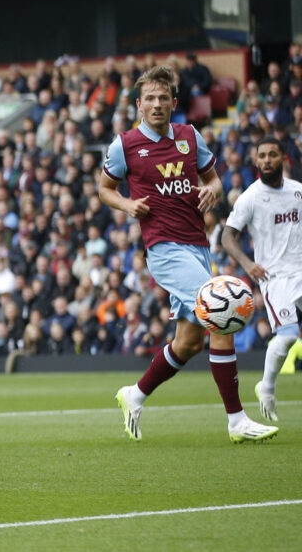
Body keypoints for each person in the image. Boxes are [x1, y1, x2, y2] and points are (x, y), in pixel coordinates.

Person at [99, 66, 277, 443]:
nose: (157, 104)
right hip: (164, 249)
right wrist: (127, 205)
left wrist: (213, 188)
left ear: (174, 103)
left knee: (189, 343)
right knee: (221, 311)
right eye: (150, 98)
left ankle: (136, 394)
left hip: (198, 246)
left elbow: (213, 177)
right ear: (139, 105)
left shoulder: (189, 137)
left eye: (164, 98)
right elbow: (105, 189)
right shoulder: (125, 144)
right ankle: (236, 421)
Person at [221, 136, 302, 422]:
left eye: (272, 155)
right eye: (262, 156)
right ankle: (266, 387)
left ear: (283, 159)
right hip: (275, 277)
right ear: (256, 161)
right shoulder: (250, 197)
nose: (266, 160)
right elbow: (227, 236)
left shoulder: (298, 192)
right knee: (288, 336)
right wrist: (246, 263)